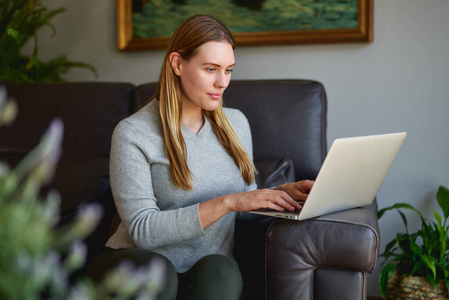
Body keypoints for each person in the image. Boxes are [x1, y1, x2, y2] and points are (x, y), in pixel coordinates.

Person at [87, 14, 314, 300]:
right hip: (138, 264)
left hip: (206, 267)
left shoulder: (236, 124)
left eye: (228, 70)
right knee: (159, 272)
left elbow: (243, 202)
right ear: (178, 64)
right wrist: (227, 202)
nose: (223, 82)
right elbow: (142, 229)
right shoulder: (133, 132)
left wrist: (279, 195)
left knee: (223, 273)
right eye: (210, 69)